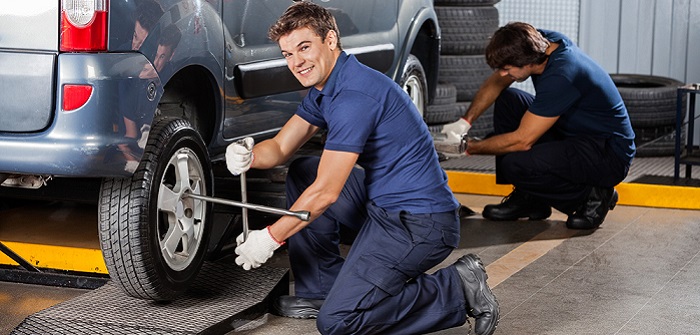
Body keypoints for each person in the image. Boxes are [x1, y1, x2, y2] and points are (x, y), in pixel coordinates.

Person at [225, 2, 499, 335]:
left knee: (339, 322)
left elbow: (326, 193)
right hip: (383, 201)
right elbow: (281, 147)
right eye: (287, 54)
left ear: (330, 40)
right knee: (303, 171)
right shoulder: (330, 85)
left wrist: (269, 239)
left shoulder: (354, 97)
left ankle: (456, 287)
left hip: (419, 224)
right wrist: (249, 153)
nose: (296, 63)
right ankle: (321, 290)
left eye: (303, 47)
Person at [441, 22, 636, 230]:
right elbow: (498, 81)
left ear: (527, 63)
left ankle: (593, 197)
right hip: (574, 133)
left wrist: (468, 148)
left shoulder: (562, 73)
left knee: (515, 162)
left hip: (607, 153)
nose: (503, 74)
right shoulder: (539, 42)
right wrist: (464, 123)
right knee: (509, 99)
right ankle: (531, 198)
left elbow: (522, 140)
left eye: (507, 69)